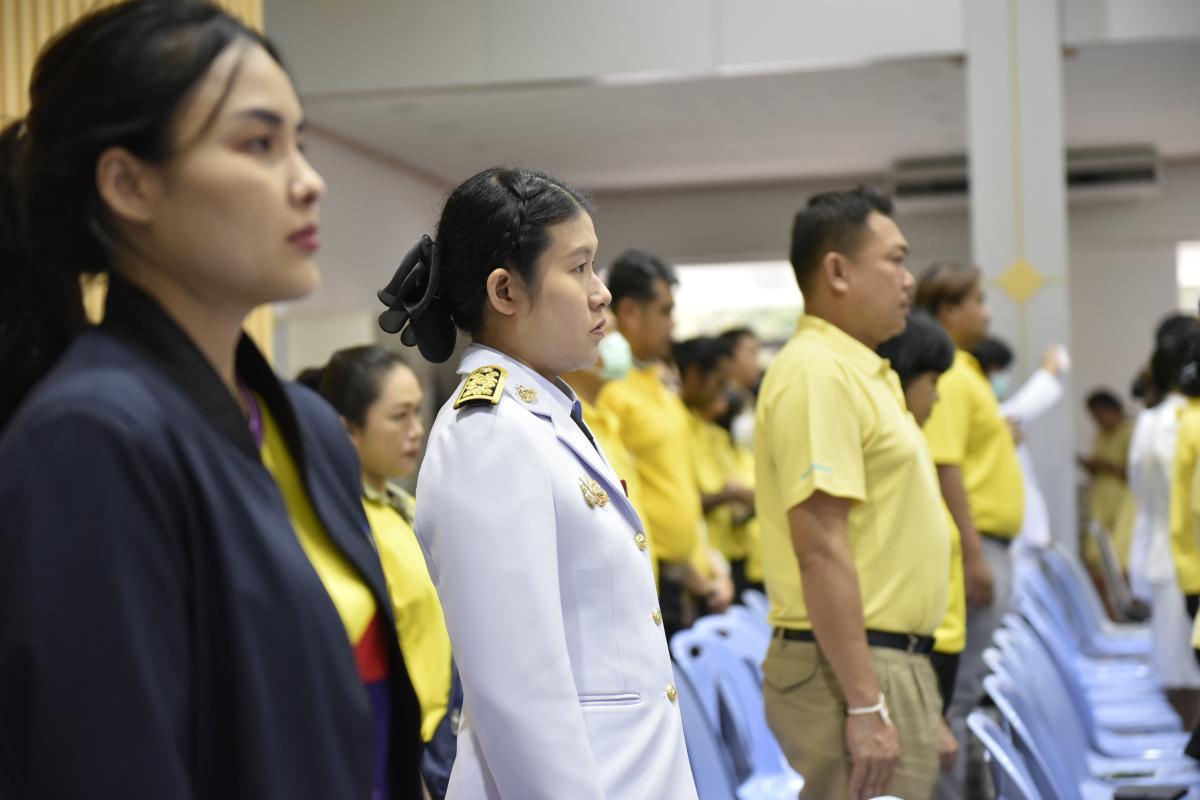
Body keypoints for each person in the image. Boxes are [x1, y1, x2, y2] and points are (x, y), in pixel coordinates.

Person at [0, 3, 422, 797]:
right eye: (259, 144)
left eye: (299, 144)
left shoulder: (307, 427)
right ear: (129, 184)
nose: (308, 181)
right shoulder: (88, 438)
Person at [377, 167, 698, 799]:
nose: (601, 293)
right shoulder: (489, 434)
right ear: (505, 291)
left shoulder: (545, 414)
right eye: (578, 268)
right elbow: (519, 694)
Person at [757, 187, 949, 800]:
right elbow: (821, 548)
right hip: (848, 669)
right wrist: (866, 704)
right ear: (838, 271)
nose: (909, 279)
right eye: (895, 260)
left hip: (884, 658)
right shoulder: (818, 372)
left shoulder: (861, 370)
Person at [314, 346, 461, 798]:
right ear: (348, 430)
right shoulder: (346, 527)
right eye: (399, 416)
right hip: (405, 747)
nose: (417, 429)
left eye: (417, 412)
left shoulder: (402, 506)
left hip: (444, 732)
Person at [915, 260, 1025, 800]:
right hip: (977, 544)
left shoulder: (967, 371)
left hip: (990, 542)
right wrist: (975, 554)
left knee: (973, 686)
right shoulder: (953, 375)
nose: (986, 312)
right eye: (977, 301)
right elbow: (946, 465)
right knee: (961, 693)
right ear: (948, 311)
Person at [598, 249, 724, 635]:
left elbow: (676, 485)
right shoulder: (609, 393)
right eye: (665, 311)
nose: (673, 323)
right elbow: (626, 496)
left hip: (689, 573)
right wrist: (683, 572)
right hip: (658, 577)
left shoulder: (657, 382)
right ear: (630, 312)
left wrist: (707, 561)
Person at [876, 310, 966, 777]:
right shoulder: (893, 458)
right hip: (917, 652)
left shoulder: (913, 445)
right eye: (932, 382)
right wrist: (929, 706)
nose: (937, 396)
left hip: (936, 644)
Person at [1128, 332, 1200, 728]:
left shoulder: (1152, 421)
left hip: (1164, 550)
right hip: (1183, 559)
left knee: (1181, 671)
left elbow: (1138, 487)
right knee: (1185, 676)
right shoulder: (1180, 422)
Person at [675, 336, 761, 598]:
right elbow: (681, 500)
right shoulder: (675, 428)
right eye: (719, 382)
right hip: (696, 565)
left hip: (730, 558)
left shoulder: (715, 435)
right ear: (694, 375)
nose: (723, 391)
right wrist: (729, 495)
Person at [1080, 389, 1136, 569]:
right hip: (1101, 502)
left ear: (1113, 410)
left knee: (1121, 556)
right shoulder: (1101, 434)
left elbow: (1135, 473)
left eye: (1099, 414)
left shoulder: (1130, 432)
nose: (1097, 420)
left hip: (1123, 502)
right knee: (1095, 555)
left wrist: (1107, 466)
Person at [718, 326, 763, 448]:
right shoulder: (720, 403)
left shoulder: (749, 396)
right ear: (728, 358)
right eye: (751, 352)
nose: (757, 360)